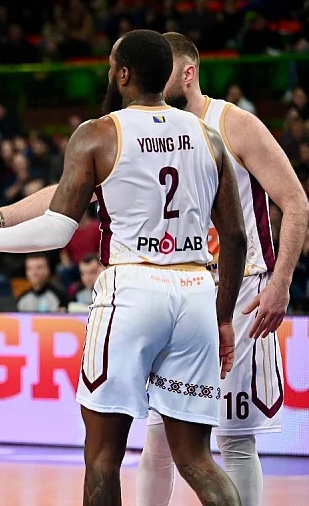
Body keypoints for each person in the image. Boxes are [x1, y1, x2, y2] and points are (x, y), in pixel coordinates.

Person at [0, 30, 246, 505]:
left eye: (111, 65)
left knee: (102, 458)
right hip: (196, 286)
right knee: (198, 459)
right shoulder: (209, 137)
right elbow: (236, 238)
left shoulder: (99, 133)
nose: (108, 72)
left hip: (132, 285)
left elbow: (58, 228)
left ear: (124, 74)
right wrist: (223, 317)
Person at [132, 32, 309, 506]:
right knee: (158, 436)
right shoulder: (152, 130)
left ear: (188, 73)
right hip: (182, 291)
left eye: (164, 69)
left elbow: (296, 202)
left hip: (244, 290)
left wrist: (281, 283)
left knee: (234, 437)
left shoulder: (235, 124)